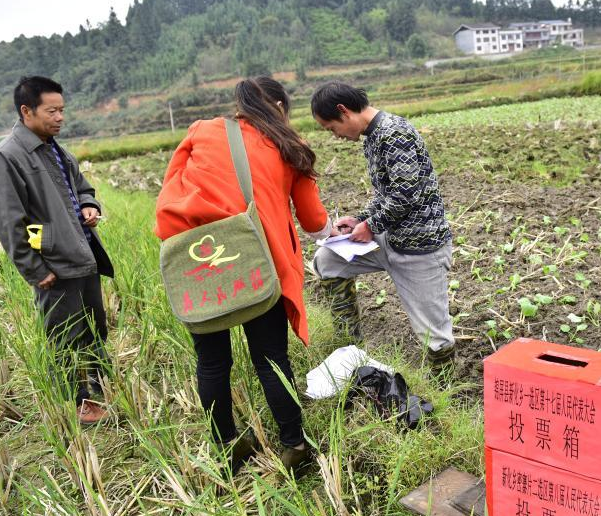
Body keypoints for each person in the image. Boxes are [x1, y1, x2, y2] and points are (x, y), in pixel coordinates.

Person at [154, 76, 331, 475]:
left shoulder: (202, 131)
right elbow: (314, 220)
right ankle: (294, 448)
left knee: (212, 363)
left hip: (201, 265)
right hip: (257, 261)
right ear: (281, 108)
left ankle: (228, 445)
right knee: (271, 360)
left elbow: (170, 193)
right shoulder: (289, 145)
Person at [310, 81, 455, 370]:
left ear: (344, 111)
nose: (335, 136)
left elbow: (406, 195)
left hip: (419, 248)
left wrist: (372, 225)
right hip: (390, 238)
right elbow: (386, 194)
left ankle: (443, 389)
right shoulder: (373, 137)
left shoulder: (394, 133)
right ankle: (350, 351)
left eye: (331, 128)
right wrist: (360, 220)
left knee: (436, 338)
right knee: (328, 260)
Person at [0, 76, 114, 424]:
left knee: (95, 327)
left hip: (83, 253)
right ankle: (77, 405)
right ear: (27, 111)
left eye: (62, 110)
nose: (60, 117)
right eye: (52, 111)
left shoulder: (54, 148)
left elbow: (80, 186)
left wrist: (88, 204)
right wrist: (36, 271)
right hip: (54, 263)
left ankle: (100, 385)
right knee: (63, 338)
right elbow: (9, 222)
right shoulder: (11, 156)